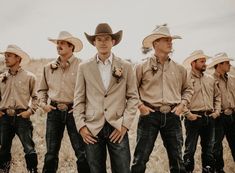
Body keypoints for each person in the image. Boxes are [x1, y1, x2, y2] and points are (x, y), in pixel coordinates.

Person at [73, 23, 139, 173]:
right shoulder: (84, 67)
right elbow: (78, 99)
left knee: (122, 169)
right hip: (92, 127)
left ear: (113, 42)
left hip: (117, 126)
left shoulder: (126, 66)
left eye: (107, 39)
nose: (103, 42)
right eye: (99, 39)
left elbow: (133, 97)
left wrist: (125, 125)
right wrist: (81, 126)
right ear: (94, 43)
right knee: (95, 170)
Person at [131, 24, 193, 173]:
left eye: (171, 39)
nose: (170, 42)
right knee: (140, 158)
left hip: (173, 116)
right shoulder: (141, 66)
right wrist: (141, 107)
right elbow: (131, 90)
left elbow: (188, 89)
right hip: (149, 116)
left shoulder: (180, 69)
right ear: (155, 43)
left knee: (177, 160)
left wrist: (181, 106)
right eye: (166, 39)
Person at [38, 31, 90, 173]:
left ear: (71, 46)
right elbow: (41, 90)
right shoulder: (48, 67)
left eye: (62, 43)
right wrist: (43, 105)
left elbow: (90, 91)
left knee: (81, 152)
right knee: (51, 153)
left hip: (75, 112)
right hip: (53, 111)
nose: (58, 46)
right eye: (58, 43)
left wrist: (81, 108)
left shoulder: (83, 66)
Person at [0, 44, 38, 173]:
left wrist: (30, 111)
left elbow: (36, 97)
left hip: (22, 116)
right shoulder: (1, 78)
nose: (5, 58)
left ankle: (32, 170)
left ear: (18, 58)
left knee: (29, 148)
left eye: (9, 56)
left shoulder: (29, 77)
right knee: (4, 148)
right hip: (4, 117)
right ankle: (4, 171)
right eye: (5, 56)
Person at [182, 50, 221, 173]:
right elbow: (180, 97)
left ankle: (208, 170)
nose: (205, 64)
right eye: (202, 61)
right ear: (193, 63)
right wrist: (188, 114)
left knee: (209, 149)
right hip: (193, 118)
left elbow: (217, 97)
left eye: (205, 61)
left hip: (209, 118)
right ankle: (188, 171)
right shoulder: (185, 79)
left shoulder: (210, 79)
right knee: (190, 149)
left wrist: (217, 112)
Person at [207, 52, 235, 173]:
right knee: (216, 147)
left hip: (233, 116)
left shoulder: (233, 79)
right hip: (219, 117)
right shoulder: (209, 80)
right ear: (219, 64)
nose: (230, 65)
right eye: (227, 63)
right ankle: (219, 170)